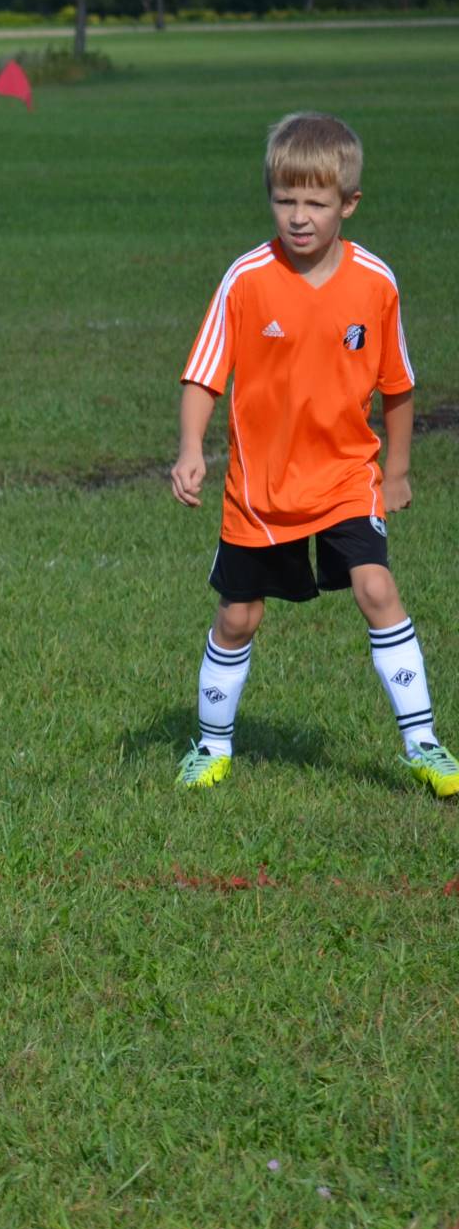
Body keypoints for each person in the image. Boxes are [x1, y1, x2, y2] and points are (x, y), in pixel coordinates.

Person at [169, 112, 445, 795]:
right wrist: (190, 449)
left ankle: (425, 744)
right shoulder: (247, 278)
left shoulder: (375, 282)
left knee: (377, 589)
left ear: (348, 204)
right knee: (239, 616)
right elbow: (203, 374)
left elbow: (398, 386)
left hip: (347, 475)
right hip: (261, 488)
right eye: (284, 199)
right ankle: (212, 746)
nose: (298, 216)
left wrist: (397, 472)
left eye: (315, 203)